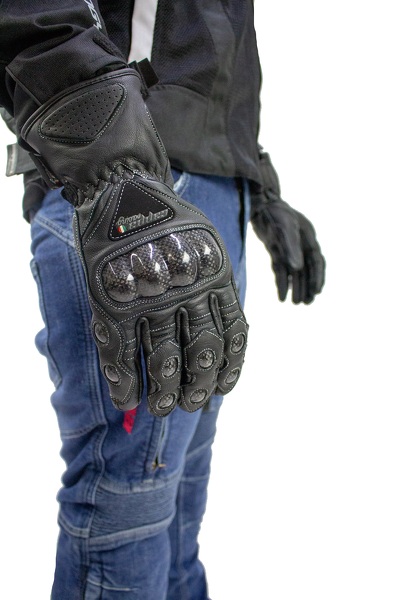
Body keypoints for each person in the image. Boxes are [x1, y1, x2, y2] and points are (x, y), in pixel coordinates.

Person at [0, 2, 325, 598]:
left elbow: (207, 48)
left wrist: (257, 184)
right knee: (129, 506)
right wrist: (114, 166)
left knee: (179, 498)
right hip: (129, 196)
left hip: (209, 197)